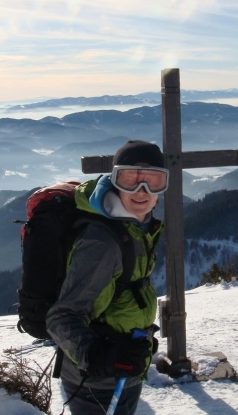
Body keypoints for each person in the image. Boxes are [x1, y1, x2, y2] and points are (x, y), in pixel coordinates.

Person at [46, 140, 168, 414]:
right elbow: (61, 319)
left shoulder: (136, 227)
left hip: (126, 371)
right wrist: (101, 358)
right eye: (130, 180)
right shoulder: (104, 243)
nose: (142, 191)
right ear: (114, 182)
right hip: (97, 383)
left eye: (153, 182)